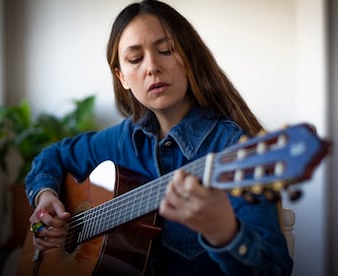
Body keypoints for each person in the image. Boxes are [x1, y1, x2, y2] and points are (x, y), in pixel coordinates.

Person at [25, 0, 293, 275]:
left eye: (165, 50)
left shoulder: (234, 149)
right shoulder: (120, 141)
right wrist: (44, 198)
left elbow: (275, 269)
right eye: (135, 59)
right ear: (122, 78)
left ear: (189, 58)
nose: (152, 66)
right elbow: (52, 156)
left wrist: (225, 232)